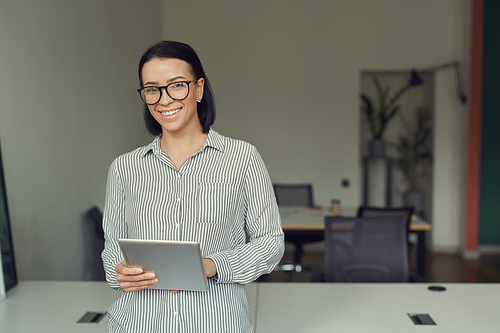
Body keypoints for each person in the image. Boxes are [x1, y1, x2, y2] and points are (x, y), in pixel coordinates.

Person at [101, 40, 284, 333]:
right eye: (152, 89)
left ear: (198, 88)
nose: (164, 99)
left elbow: (271, 243)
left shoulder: (243, 158)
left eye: (176, 85)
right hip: (137, 324)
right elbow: (112, 250)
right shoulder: (124, 168)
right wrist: (119, 270)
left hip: (217, 324)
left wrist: (212, 265)